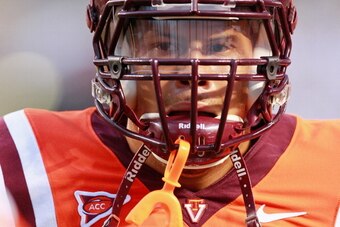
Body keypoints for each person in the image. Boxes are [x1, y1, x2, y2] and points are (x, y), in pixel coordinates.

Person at [0, 0, 339, 226]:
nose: (193, 73)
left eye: (220, 46)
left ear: (268, 56)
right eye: (162, 45)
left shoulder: (331, 164)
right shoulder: (24, 156)